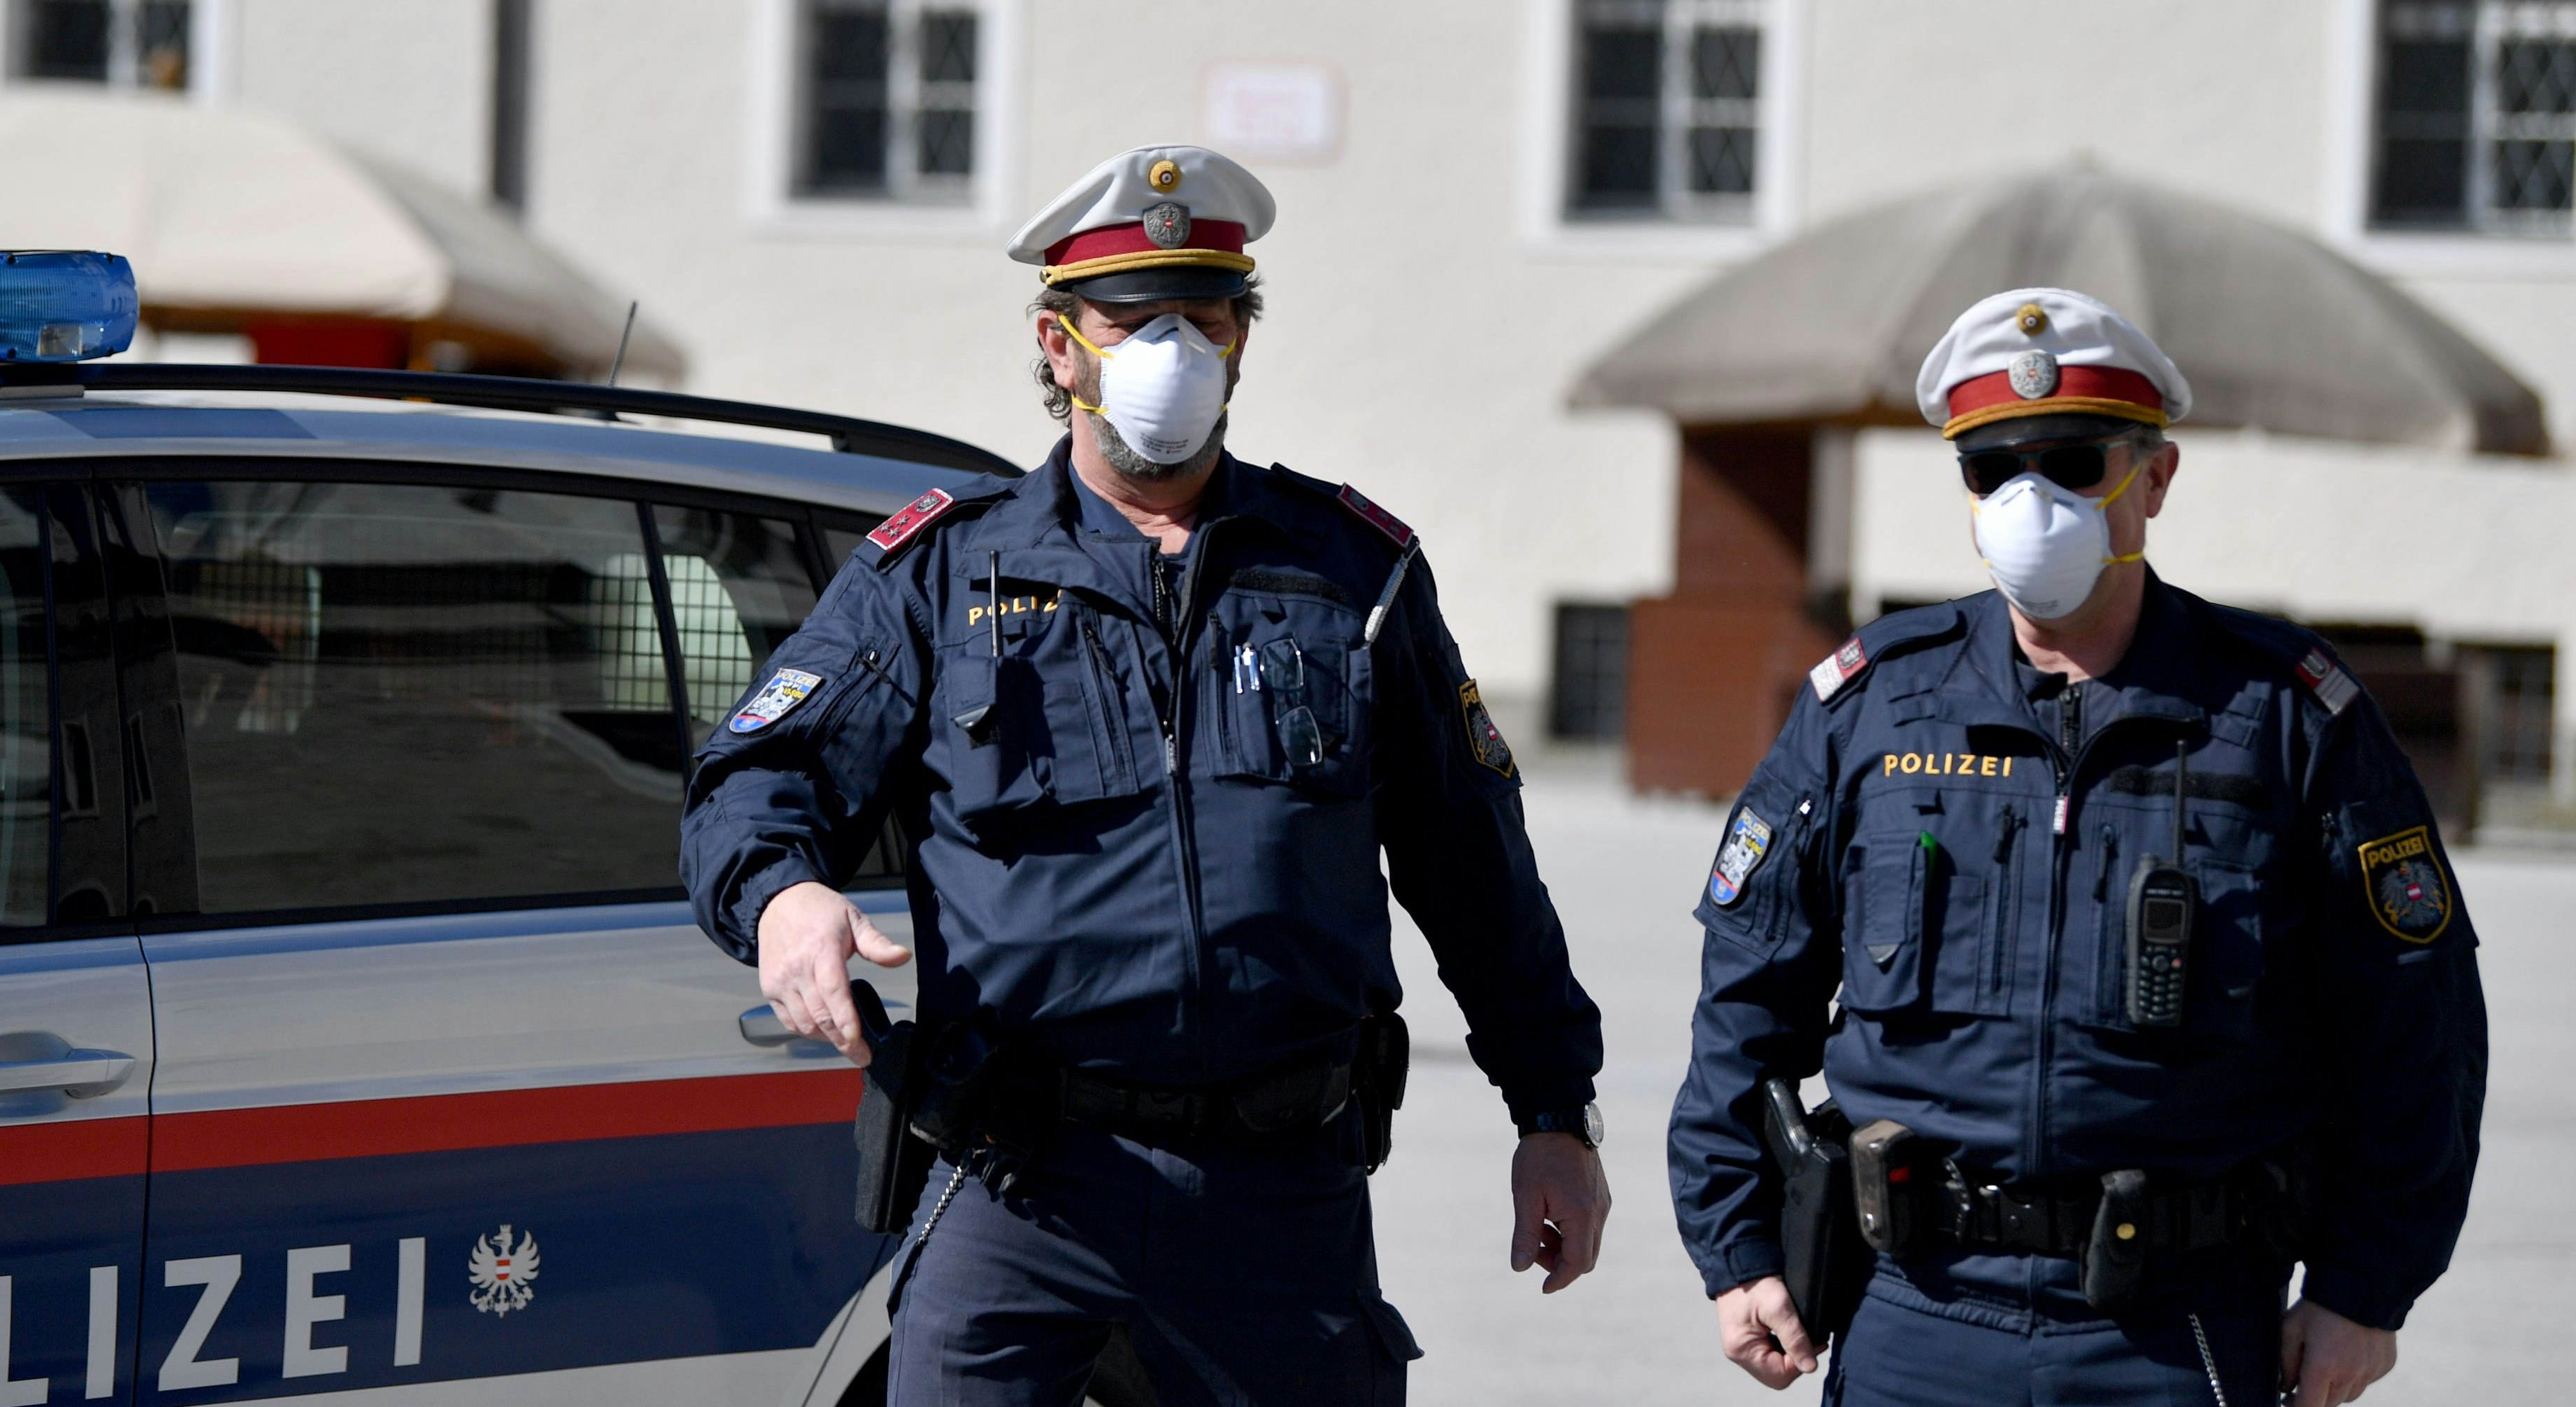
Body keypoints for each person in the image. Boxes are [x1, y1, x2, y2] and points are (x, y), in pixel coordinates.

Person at [682, 144, 1609, 1405]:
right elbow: (757, 775)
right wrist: (783, 896)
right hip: (1022, 1184)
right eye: (1134, 321)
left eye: (1206, 316)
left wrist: (1553, 1111)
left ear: (1242, 342)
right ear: (1060, 345)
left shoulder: (1354, 575)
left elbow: (1475, 865)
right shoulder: (942, 578)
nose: (1174, 347)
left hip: (1282, 1196)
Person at [1665, 288, 2487, 1407]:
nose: (2030, 498)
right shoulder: (1873, 707)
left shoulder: (2289, 715)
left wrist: (2365, 1291)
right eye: (1992, 469)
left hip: (2176, 1329)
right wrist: (1738, 1249)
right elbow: (1746, 999)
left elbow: (2417, 1030)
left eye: (2072, 460)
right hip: (1918, 1314)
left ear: (2155, 477)